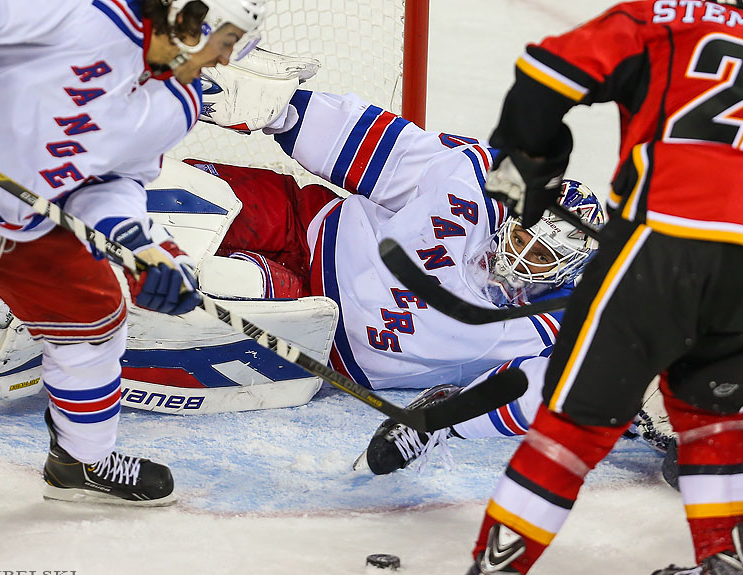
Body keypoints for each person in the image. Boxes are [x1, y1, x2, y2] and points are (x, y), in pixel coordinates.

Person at [450, 1, 743, 575]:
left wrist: (530, 159)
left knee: (572, 424)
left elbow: (549, 73)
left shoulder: (672, 15)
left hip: (669, 236)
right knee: (712, 414)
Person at [0, 0, 265, 506]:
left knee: (94, 326)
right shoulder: (82, 10)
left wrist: (143, 249)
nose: (225, 59)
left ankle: (79, 462)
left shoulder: (177, 104)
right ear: (187, 16)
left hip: (31, 219)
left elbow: (115, 180)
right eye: (226, 40)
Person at [175, 90, 604, 473]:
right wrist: (283, 110)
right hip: (306, 224)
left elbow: (534, 391)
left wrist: (439, 423)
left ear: (570, 269)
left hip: (319, 332)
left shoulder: (560, 327)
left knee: (226, 287)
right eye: (524, 234)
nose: (524, 255)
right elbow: (385, 148)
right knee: (185, 195)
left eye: (545, 255)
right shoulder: (478, 179)